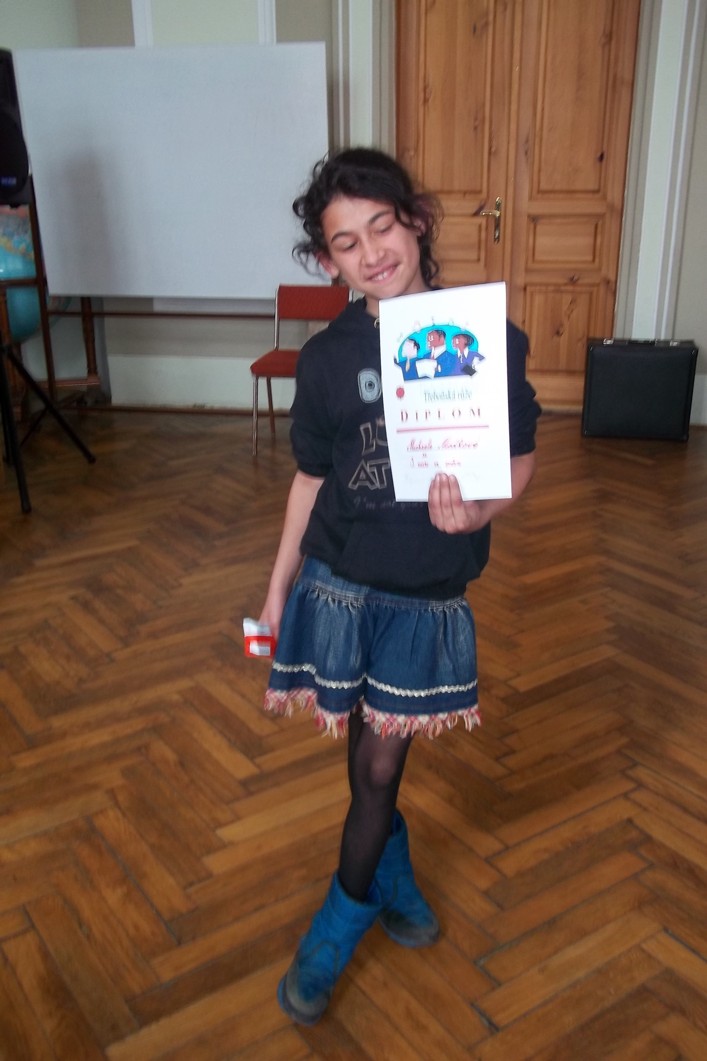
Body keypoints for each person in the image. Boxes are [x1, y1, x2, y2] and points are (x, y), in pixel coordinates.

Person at [258, 147, 540, 1026]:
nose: (371, 252)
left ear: (414, 222)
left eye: (381, 225)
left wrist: (483, 508)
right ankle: (382, 884)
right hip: (343, 585)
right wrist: (276, 589)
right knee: (368, 765)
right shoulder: (325, 360)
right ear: (327, 261)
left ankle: (346, 914)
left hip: (425, 591)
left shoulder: (486, 338)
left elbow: (520, 454)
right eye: (345, 242)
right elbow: (310, 479)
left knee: (377, 764)